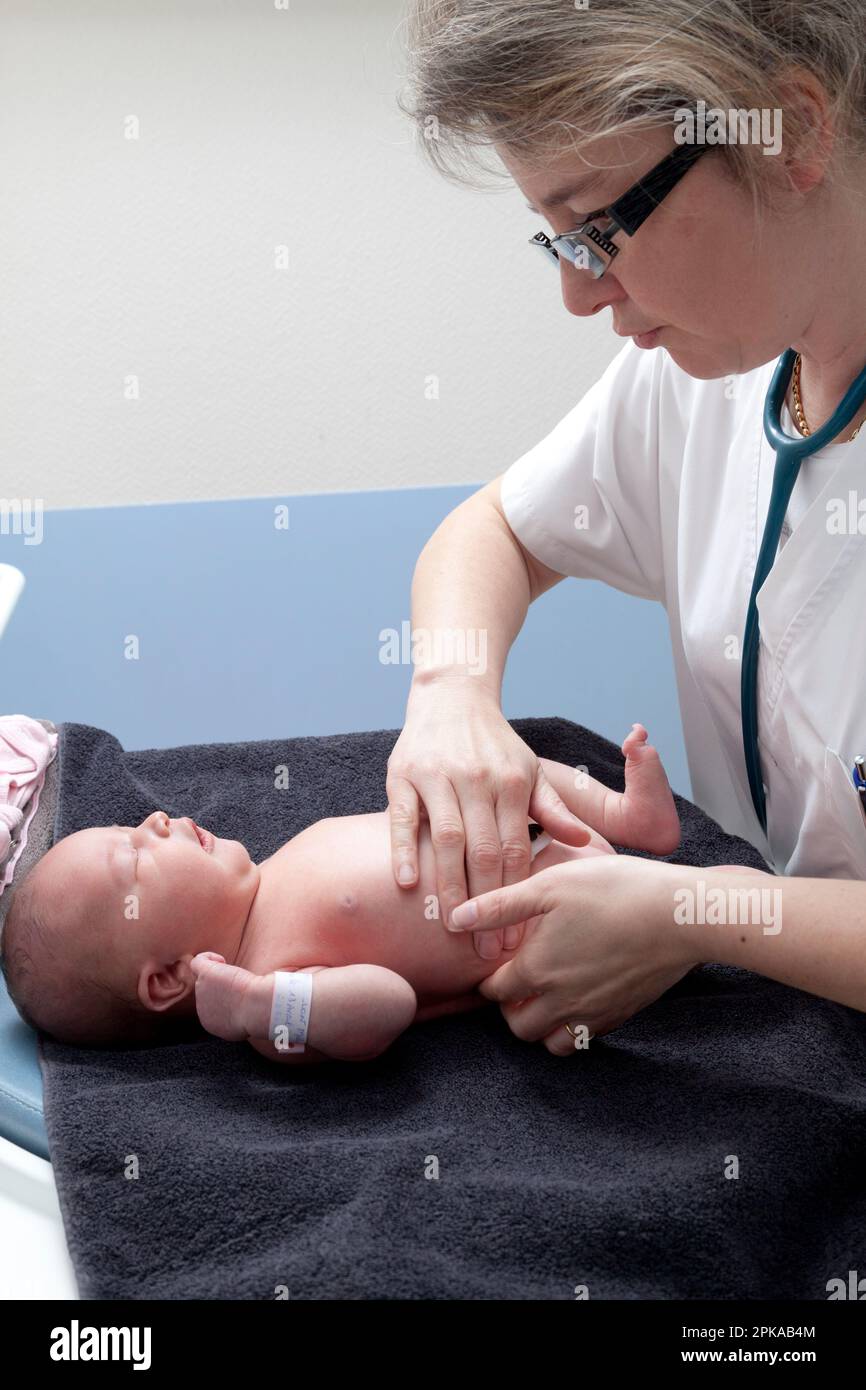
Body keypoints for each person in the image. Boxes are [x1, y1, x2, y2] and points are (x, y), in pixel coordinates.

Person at [386, 0, 866, 1049]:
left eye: (597, 226)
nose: (574, 292)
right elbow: (493, 536)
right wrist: (450, 693)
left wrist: (689, 912)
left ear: (786, 133)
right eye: (552, 238)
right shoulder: (709, 378)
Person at [0, 727, 681, 1057]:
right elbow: (387, 1006)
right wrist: (258, 1010)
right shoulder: (271, 978)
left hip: (515, 832)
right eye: (134, 858)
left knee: (505, 769)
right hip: (562, 919)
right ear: (170, 978)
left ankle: (623, 817)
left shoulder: (275, 871)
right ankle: (671, 898)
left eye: (130, 825)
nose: (153, 821)